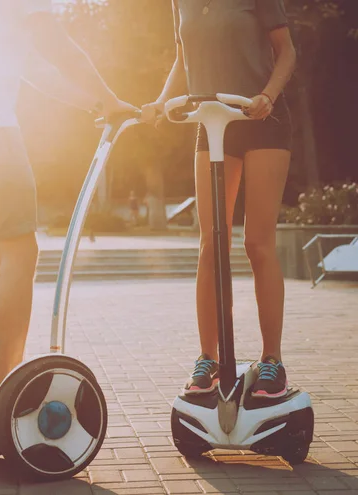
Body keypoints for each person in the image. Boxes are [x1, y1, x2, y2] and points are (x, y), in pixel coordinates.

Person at [0, 0, 137, 416]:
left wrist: (97, 106)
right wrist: (110, 97)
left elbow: (35, 72)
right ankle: (8, 386)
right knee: (21, 252)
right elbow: (62, 51)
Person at [142, 0, 297, 399]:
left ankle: (272, 361)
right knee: (211, 245)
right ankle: (208, 359)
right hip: (212, 126)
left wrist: (268, 95)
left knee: (257, 244)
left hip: (261, 120)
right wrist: (162, 100)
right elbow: (183, 58)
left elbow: (287, 52)